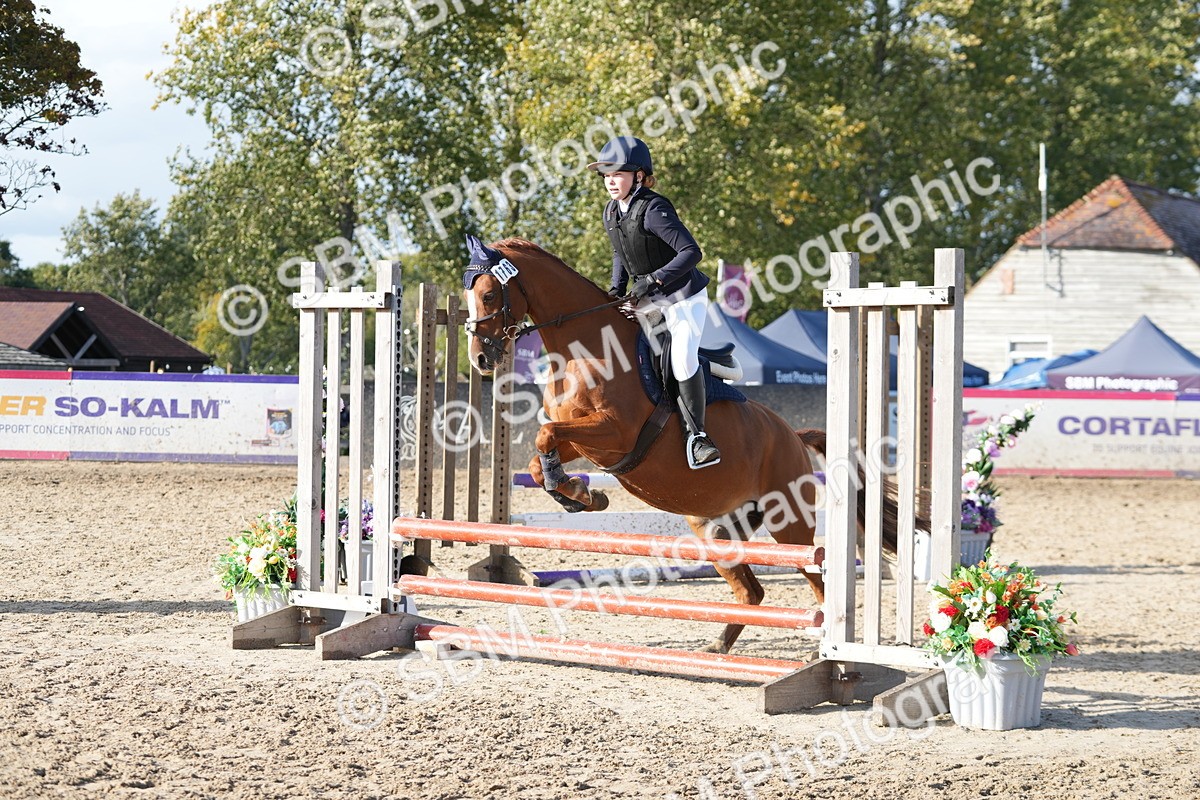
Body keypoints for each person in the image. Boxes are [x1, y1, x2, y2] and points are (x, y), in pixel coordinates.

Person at [587, 136, 720, 469]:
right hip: (648, 299)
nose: (610, 181)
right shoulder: (611, 211)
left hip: (682, 297)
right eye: (606, 175)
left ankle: (698, 437)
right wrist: (615, 290)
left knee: (682, 359)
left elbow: (691, 252)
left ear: (639, 176)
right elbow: (620, 252)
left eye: (618, 174)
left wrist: (653, 280)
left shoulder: (654, 209)